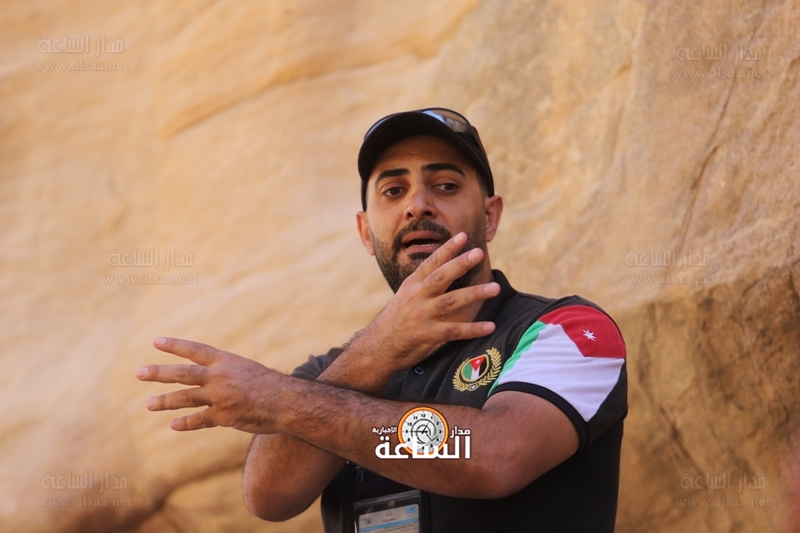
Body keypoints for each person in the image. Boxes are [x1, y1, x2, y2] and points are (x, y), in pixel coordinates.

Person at [137, 108, 628, 532]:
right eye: (393, 190)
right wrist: (376, 353)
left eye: (446, 185)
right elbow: (268, 496)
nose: (417, 206)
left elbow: (497, 456)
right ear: (365, 232)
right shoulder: (330, 371)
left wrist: (278, 398)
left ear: (490, 216)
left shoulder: (570, 330)